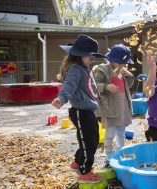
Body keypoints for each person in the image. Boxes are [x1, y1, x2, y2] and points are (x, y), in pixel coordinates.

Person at [51, 34, 105, 183]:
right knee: (88, 143)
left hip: (88, 111)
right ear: (79, 56)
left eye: (91, 56)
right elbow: (68, 86)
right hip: (80, 112)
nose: (91, 59)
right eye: (88, 56)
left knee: (92, 141)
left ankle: (77, 162)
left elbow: (91, 89)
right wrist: (61, 99)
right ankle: (84, 172)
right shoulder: (75, 69)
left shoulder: (85, 68)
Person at [92, 44, 135, 159]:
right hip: (110, 109)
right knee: (110, 133)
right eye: (121, 63)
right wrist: (106, 86)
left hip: (122, 108)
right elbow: (93, 85)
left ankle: (121, 152)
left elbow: (128, 87)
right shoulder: (102, 69)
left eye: (124, 63)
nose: (123, 65)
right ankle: (109, 156)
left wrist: (130, 76)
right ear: (113, 60)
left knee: (121, 132)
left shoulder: (122, 71)